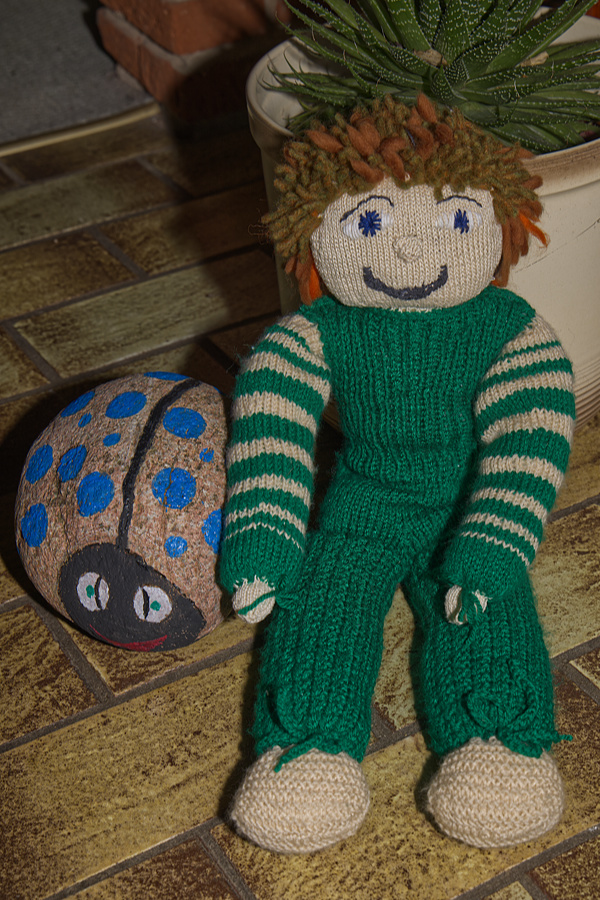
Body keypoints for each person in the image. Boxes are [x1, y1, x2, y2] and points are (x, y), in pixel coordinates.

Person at [219, 94, 575, 853]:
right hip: (364, 503)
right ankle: (306, 746)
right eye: (370, 225)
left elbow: (531, 432)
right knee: (322, 605)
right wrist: (265, 534)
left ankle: (498, 738)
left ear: (501, 223)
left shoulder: (508, 329)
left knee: (486, 609)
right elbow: (273, 422)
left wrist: (495, 537)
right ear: (313, 231)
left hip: (469, 501)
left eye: (454, 222)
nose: (411, 253)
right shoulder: (316, 332)